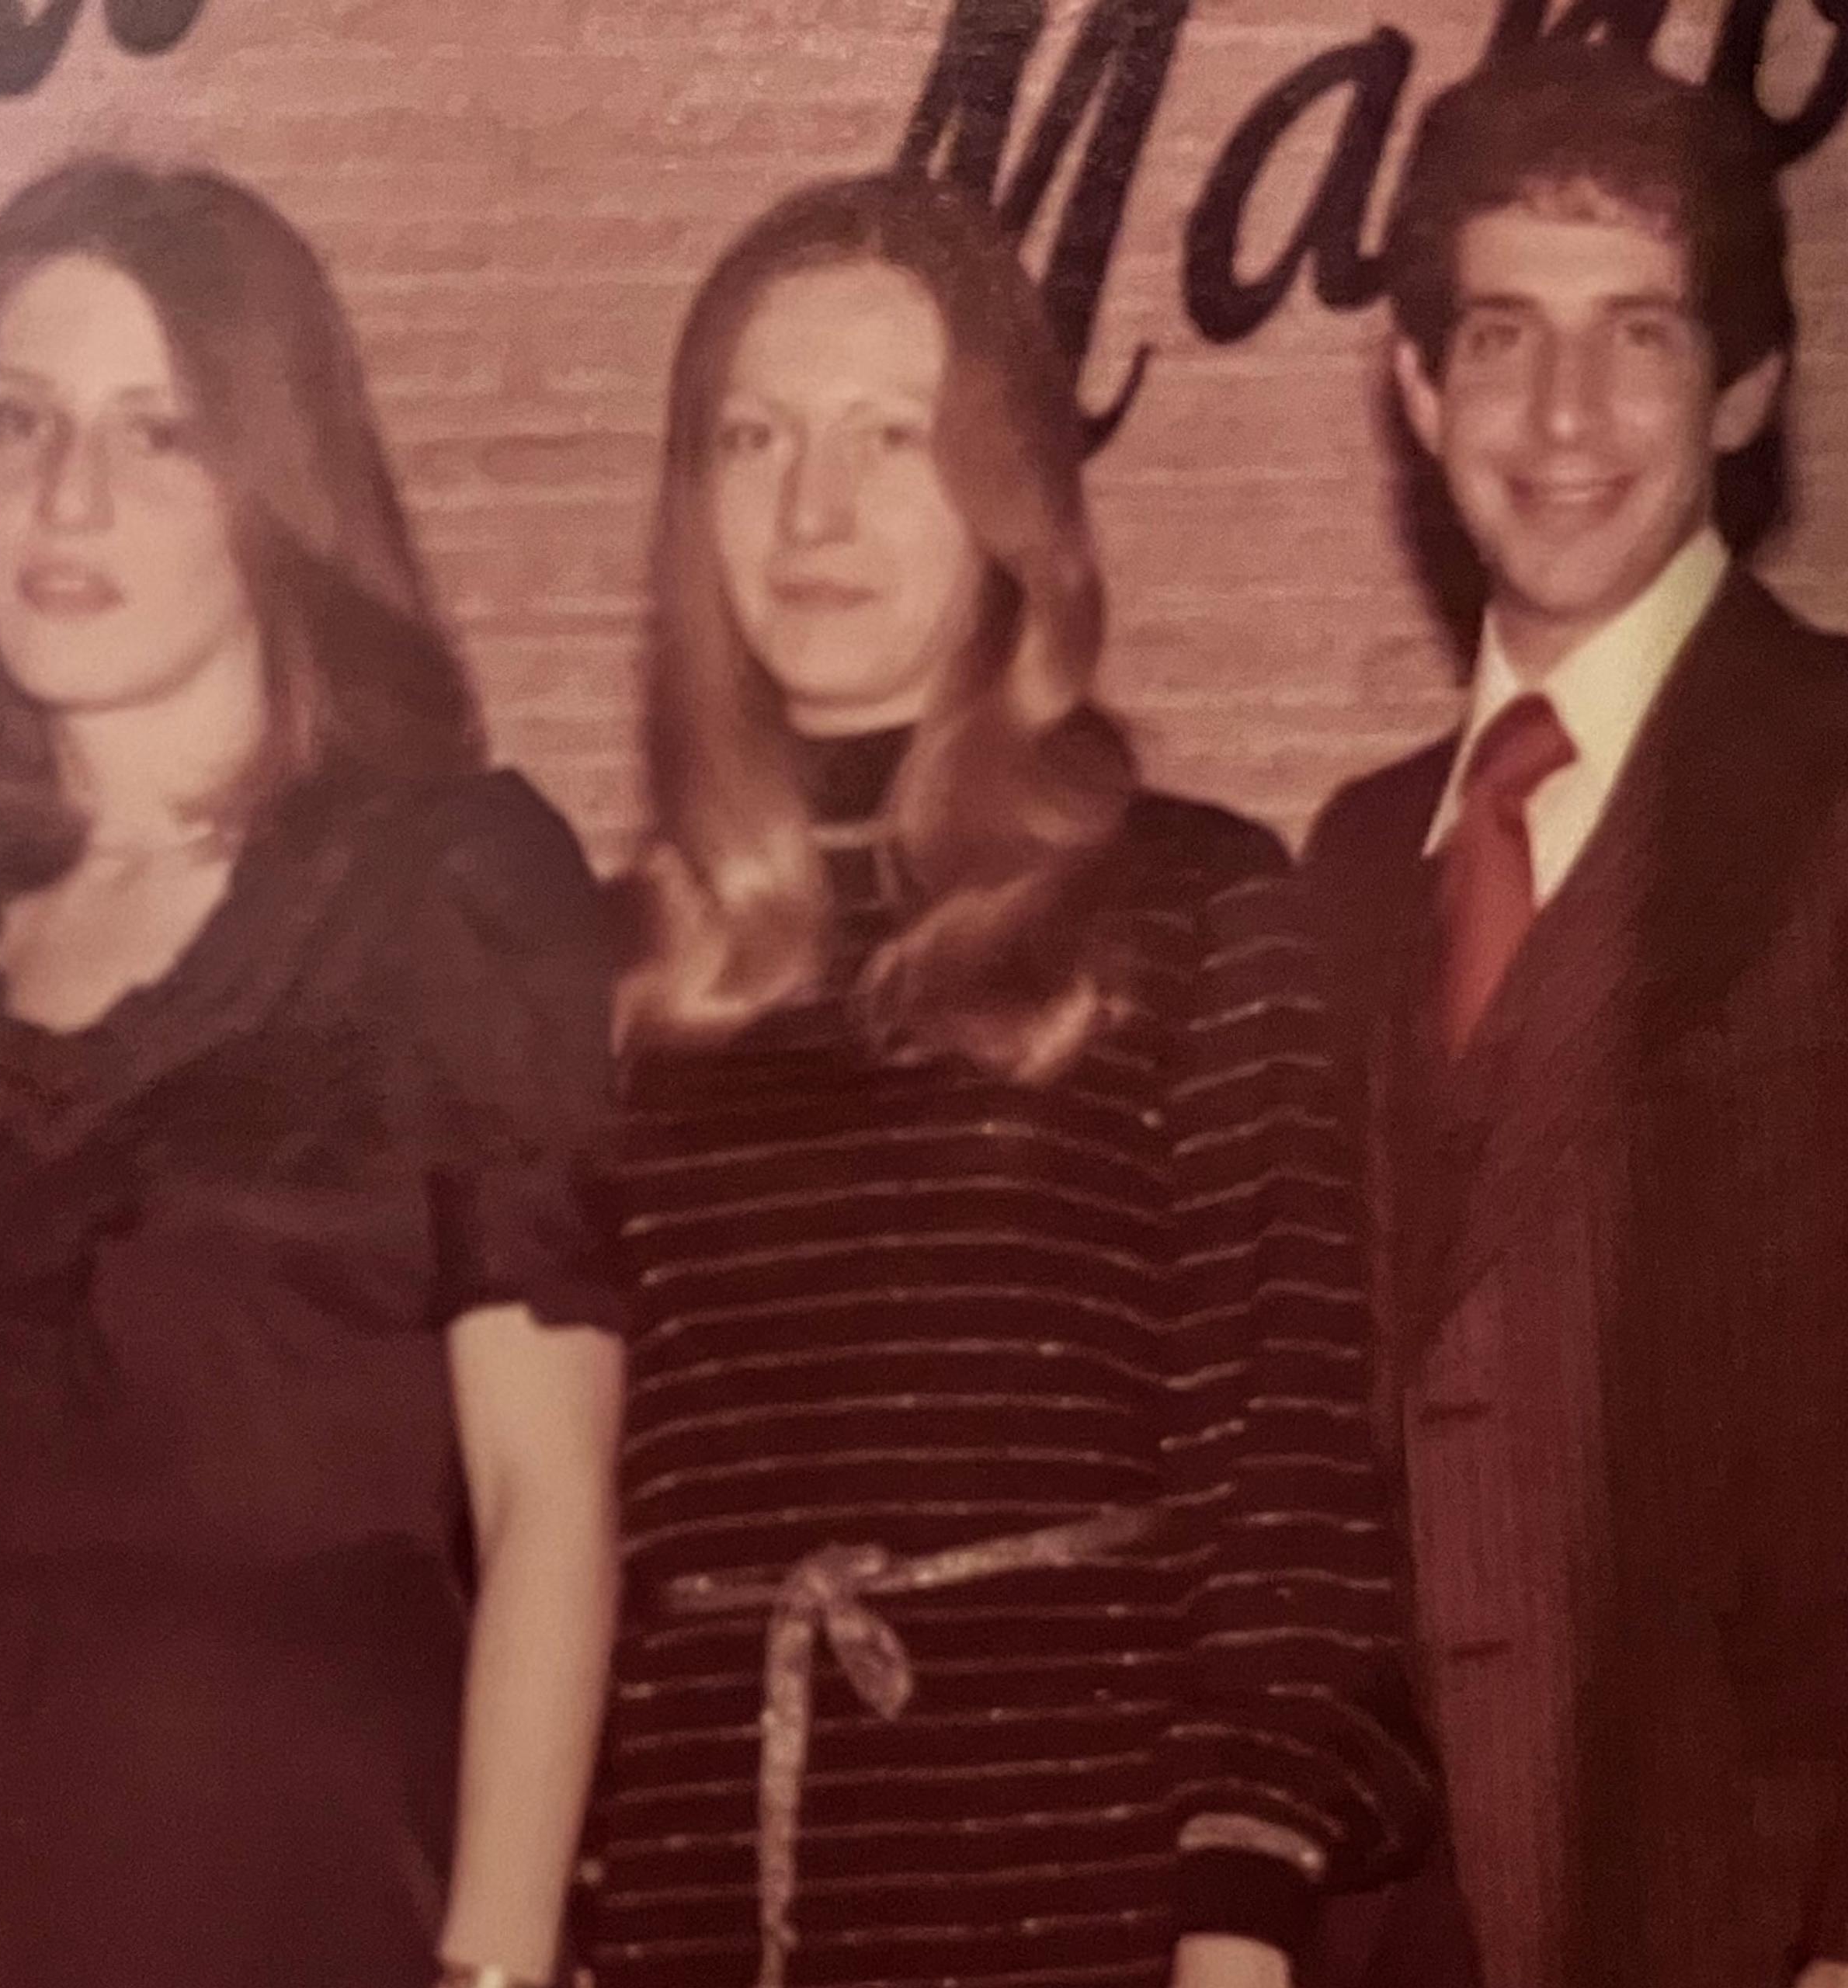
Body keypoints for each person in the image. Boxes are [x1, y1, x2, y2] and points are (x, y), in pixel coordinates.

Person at [0, 158, 623, 1988]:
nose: (67, 496)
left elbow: (551, 1497)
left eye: (159, 432)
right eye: (20, 421)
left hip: (325, 1915)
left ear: (277, 492)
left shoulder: (451, 889)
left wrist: (496, 1965)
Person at [581, 171, 1434, 1988]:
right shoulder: (597, 967)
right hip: (688, 1904)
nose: (812, 506)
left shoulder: (1200, 902)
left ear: (1011, 500)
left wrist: (1242, 1920)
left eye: (892, 436)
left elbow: (1286, 1493)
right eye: (755, 437)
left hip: (1091, 1905)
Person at [1301, 43, 1848, 1988]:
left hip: (1765, 1928)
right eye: (1504, 335)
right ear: (1417, 385)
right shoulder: (1355, 859)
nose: (1564, 414)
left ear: (1752, 386)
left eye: (1642, 334)